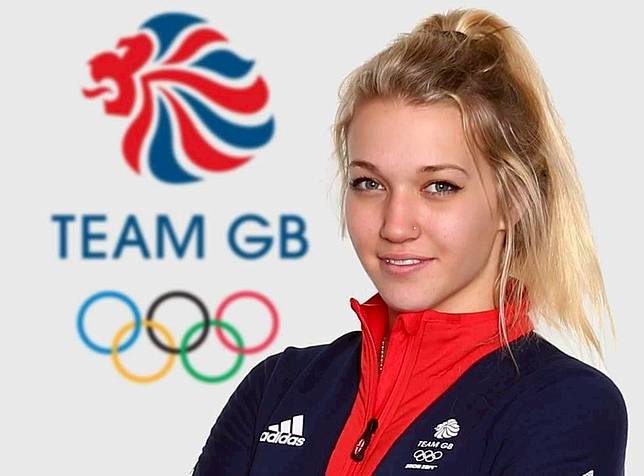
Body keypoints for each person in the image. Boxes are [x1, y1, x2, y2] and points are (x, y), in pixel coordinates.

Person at [191, 7, 628, 475]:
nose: (396, 226)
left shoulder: (566, 405)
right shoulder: (277, 389)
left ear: (513, 200)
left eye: (439, 186)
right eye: (369, 184)